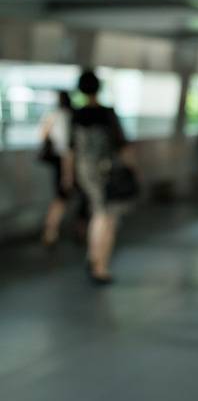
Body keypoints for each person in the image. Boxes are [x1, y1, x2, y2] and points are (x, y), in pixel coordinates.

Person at [64, 70, 137, 284]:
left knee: (97, 211)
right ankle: (100, 265)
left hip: (84, 171)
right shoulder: (107, 114)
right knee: (107, 216)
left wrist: (69, 176)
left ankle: (93, 256)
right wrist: (133, 169)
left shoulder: (75, 115)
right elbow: (122, 146)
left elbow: (70, 149)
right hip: (107, 171)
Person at [38, 90, 73, 246]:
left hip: (56, 161)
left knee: (60, 197)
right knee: (62, 197)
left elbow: (41, 136)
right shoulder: (67, 117)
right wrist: (68, 174)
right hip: (65, 161)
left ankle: (51, 231)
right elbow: (68, 147)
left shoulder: (51, 115)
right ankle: (50, 231)